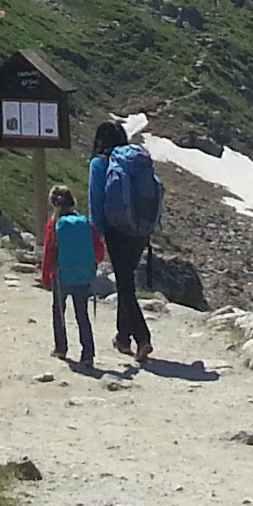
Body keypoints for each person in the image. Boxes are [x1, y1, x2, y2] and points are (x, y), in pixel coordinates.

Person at [88, 119, 163, 367]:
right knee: (126, 280)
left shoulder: (99, 164)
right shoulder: (133, 162)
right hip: (140, 229)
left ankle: (142, 337)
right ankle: (123, 338)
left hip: (116, 229)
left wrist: (96, 234)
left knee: (125, 284)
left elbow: (95, 202)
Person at [40, 185, 104, 371]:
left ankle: (61, 348)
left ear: (53, 203)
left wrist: (46, 277)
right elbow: (99, 251)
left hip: (61, 276)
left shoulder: (54, 224)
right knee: (82, 314)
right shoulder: (85, 223)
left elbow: (49, 252)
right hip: (83, 276)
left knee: (58, 311)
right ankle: (88, 354)